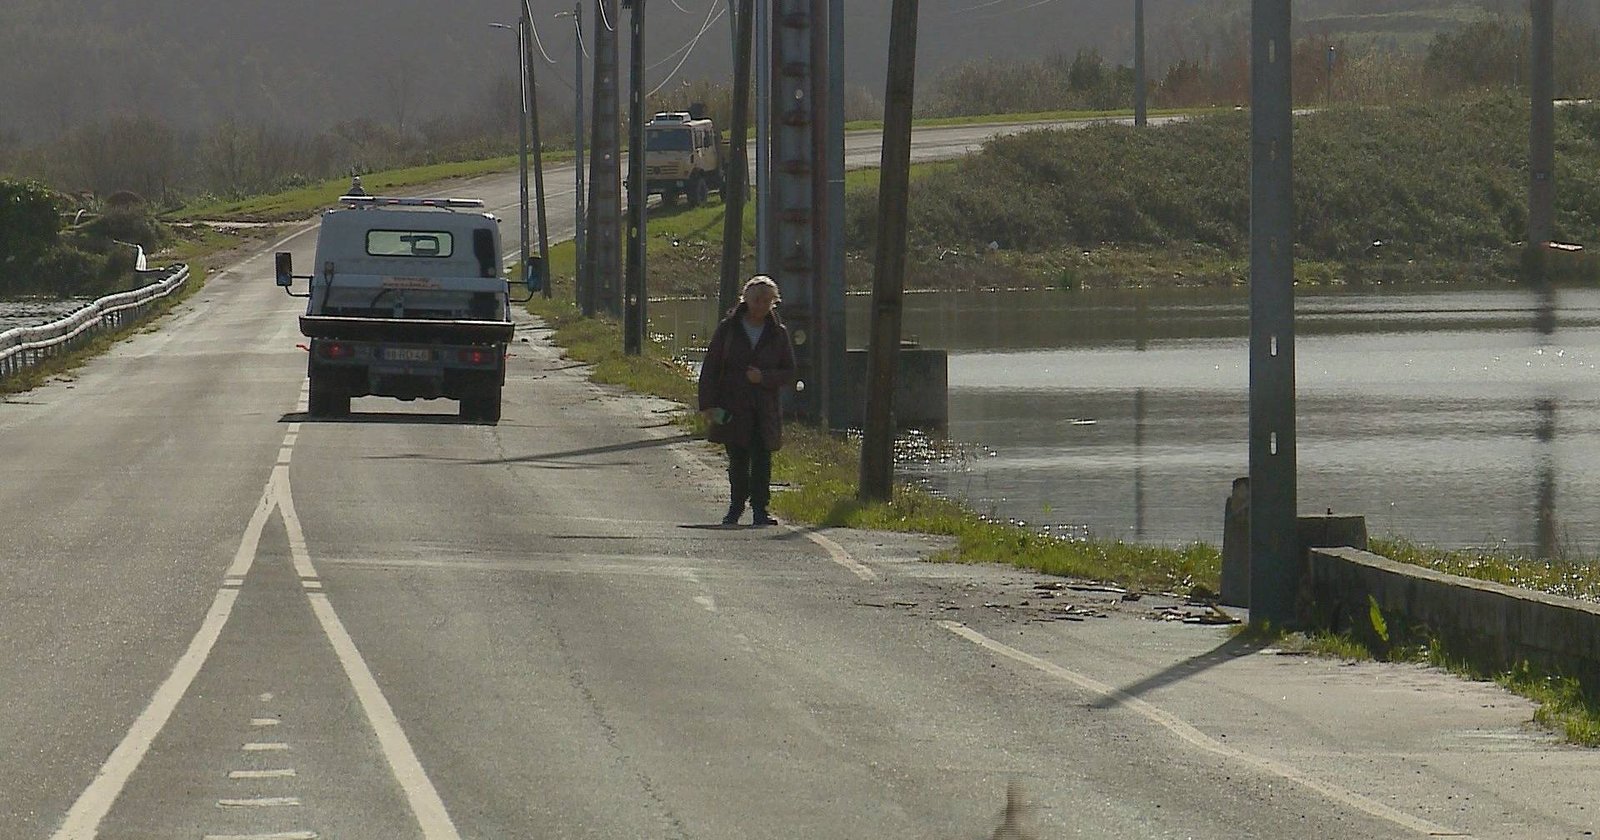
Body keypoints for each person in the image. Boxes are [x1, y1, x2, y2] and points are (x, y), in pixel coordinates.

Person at [698, 276, 795, 526]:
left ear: (773, 302)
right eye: (756, 300)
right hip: (733, 406)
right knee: (738, 460)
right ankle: (736, 507)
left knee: (762, 460)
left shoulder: (778, 333)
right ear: (746, 300)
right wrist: (707, 404)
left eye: (766, 301)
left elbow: (789, 372)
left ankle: (760, 510)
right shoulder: (728, 329)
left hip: (764, 409)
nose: (761, 305)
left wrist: (764, 377)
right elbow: (711, 367)